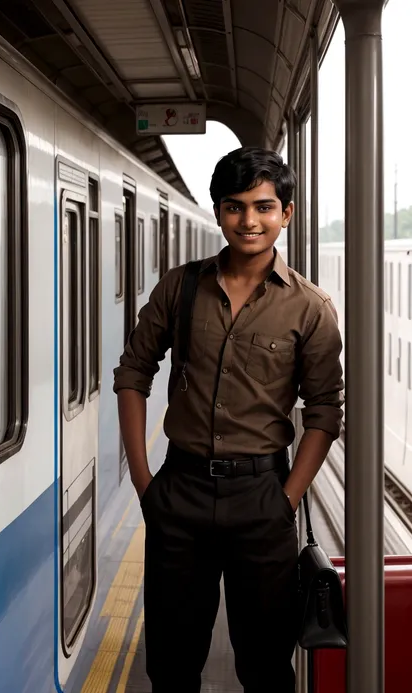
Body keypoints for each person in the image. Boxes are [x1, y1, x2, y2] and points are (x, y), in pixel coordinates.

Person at [113, 147, 344, 693]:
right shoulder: (180, 287)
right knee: (170, 664)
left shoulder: (310, 308)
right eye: (236, 207)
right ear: (219, 213)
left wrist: (285, 499)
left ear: (286, 213)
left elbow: (325, 411)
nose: (250, 221)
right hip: (180, 493)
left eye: (264, 207)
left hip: (262, 499)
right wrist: (147, 484)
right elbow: (132, 374)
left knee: (265, 667)